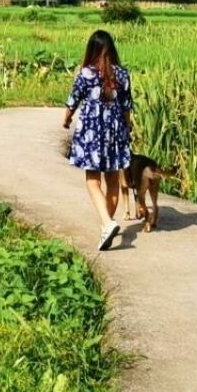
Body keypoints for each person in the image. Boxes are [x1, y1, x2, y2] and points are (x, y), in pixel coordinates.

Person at [62, 29, 133, 250]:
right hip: (115, 133)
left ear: (91, 50)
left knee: (93, 180)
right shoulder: (122, 75)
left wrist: (66, 119)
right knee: (112, 181)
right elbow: (127, 109)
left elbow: (73, 100)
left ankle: (107, 223)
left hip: (92, 134)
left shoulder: (86, 74)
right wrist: (126, 127)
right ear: (112, 49)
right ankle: (107, 226)